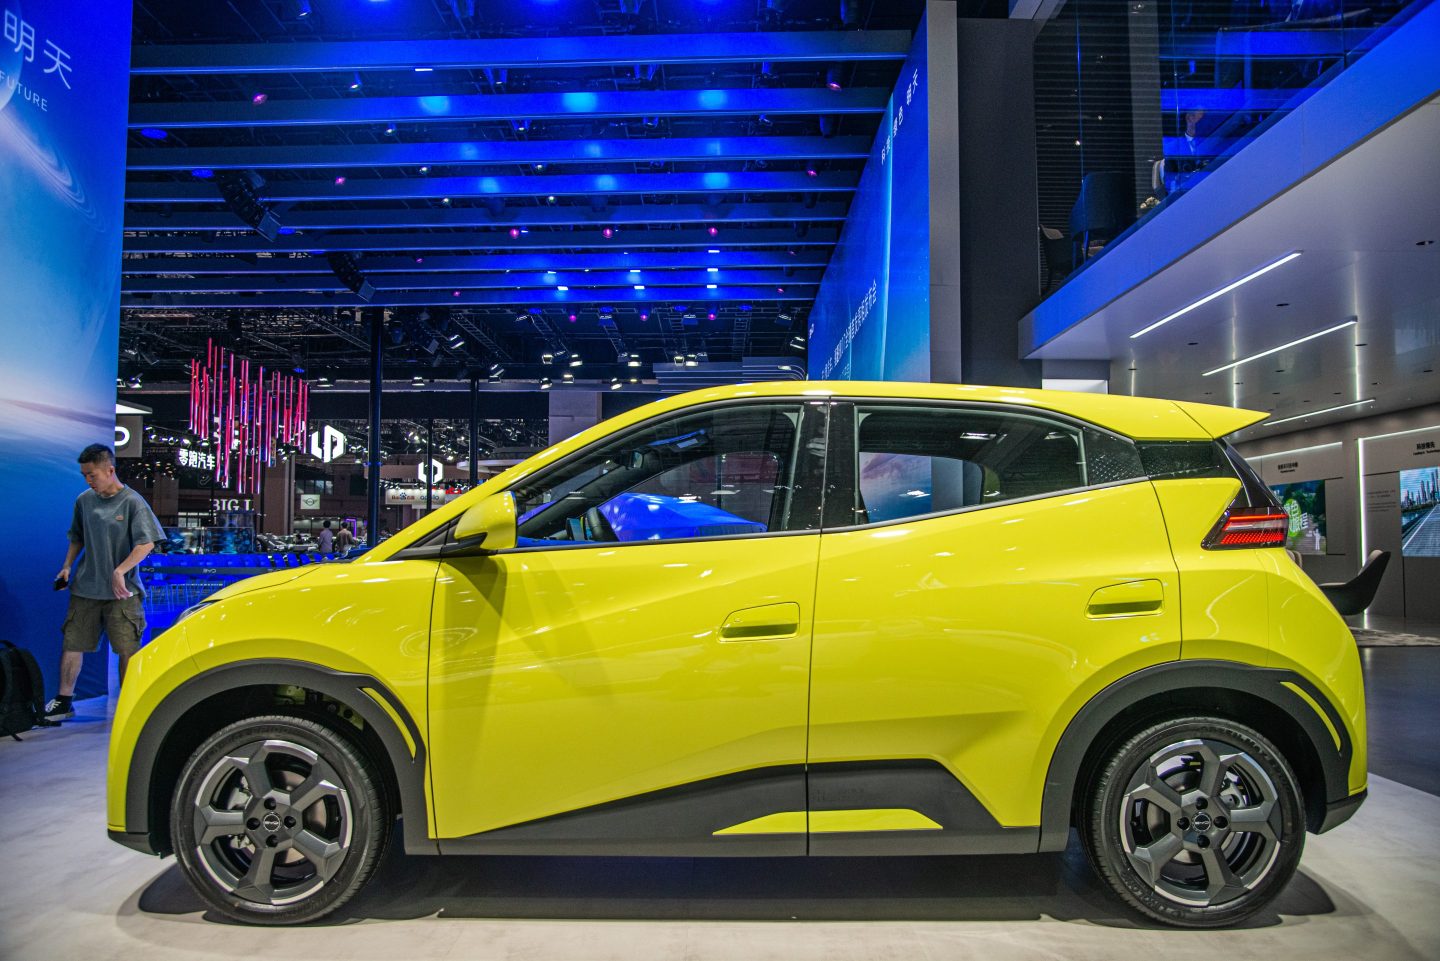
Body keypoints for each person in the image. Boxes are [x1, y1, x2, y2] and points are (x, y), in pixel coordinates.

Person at [45, 444, 164, 721]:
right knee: (73, 643)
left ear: (110, 470)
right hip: (86, 589)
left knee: (127, 649)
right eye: (85, 475)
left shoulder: (133, 502)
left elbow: (146, 543)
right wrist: (66, 567)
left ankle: (129, 702)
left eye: (92, 474)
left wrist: (120, 570)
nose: (88, 480)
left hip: (123, 594)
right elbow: (77, 537)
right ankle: (64, 701)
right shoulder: (84, 500)